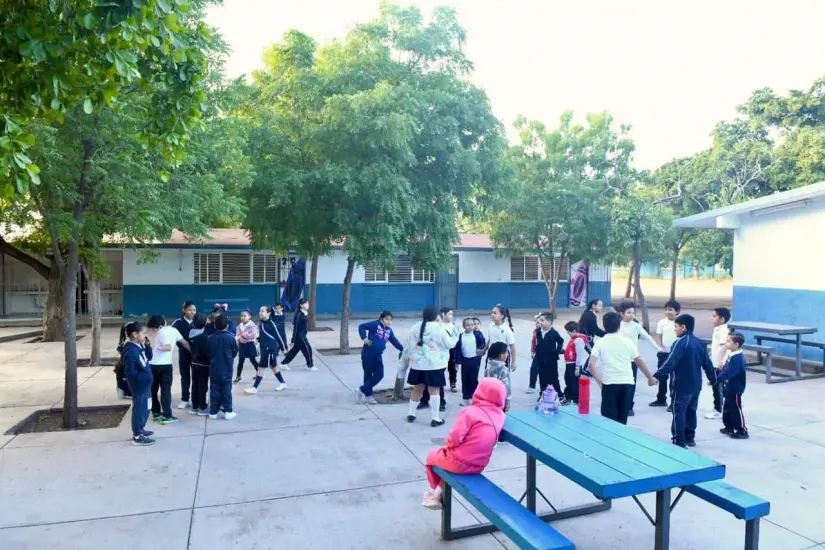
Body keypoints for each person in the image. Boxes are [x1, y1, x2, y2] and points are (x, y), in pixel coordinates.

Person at [421, 378, 507, 509]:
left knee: (431, 457)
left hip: (458, 462)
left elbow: (454, 438)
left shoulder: (469, 412)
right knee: (447, 466)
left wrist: (448, 446)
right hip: (479, 464)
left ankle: (432, 492)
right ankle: (438, 493)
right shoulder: (500, 415)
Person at [654, 314, 717, 448]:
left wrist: (656, 376)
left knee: (679, 411)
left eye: (675, 327)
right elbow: (707, 363)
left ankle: (679, 440)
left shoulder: (680, 343)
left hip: (681, 385)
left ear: (683, 327)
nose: (674, 329)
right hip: (696, 385)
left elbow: (670, 362)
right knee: (691, 410)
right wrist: (713, 379)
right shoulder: (700, 343)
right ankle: (690, 437)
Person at [588, 312, 656, 425]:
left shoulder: (600, 342)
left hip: (609, 383)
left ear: (604, 326)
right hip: (627, 383)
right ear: (619, 326)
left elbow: (591, 365)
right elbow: (639, 361)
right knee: (622, 418)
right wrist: (650, 378)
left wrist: (600, 383)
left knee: (608, 419)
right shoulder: (627, 342)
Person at [402, 305, 458, 427]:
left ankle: (411, 414)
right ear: (437, 316)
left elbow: (407, 345)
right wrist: (455, 333)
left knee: (417, 388)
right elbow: (449, 344)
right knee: (434, 390)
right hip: (434, 365)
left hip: (417, 364)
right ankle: (435, 418)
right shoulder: (438, 328)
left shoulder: (415, 327)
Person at [617, 301, 663, 416]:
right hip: (619, 359)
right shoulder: (617, 325)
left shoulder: (636, 326)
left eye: (633, 313)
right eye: (628, 313)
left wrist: (658, 349)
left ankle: (629, 406)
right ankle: (620, 404)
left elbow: (648, 338)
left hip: (632, 359)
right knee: (619, 383)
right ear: (622, 314)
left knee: (631, 384)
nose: (631, 315)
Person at [147, 315, 190, 424]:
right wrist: (192, 353)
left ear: (160, 326)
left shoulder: (161, 332)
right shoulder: (174, 330)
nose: (154, 330)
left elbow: (168, 347)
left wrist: (157, 347)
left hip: (154, 365)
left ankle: (156, 412)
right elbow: (184, 342)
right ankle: (166, 414)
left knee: (153, 390)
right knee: (165, 391)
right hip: (165, 366)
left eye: (154, 328)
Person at [356, 311, 403, 405]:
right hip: (368, 353)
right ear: (381, 319)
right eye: (386, 319)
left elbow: (394, 340)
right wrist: (364, 338)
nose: (389, 321)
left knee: (380, 375)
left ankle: (361, 390)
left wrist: (403, 349)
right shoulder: (375, 324)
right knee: (368, 374)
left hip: (378, 355)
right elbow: (361, 326)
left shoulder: (389, 330)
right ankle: (369, 396)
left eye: (390, 320)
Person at [121, 321, 155, 446]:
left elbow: (148, 358)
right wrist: (144, 377)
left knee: (147, 406)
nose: (145, 335)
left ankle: (141, 428)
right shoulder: (130, 350)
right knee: (140, 408)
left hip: (146, 383)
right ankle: (137, 435)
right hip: (140, 384)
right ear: (135, 334)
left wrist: (147, 346)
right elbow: (130, 372)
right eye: (143, 333)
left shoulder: (138, 346)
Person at [420, 308, 458, 411]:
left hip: (438, 359)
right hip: (427, 358)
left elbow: (449, 344)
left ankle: (441, 403)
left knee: (437, 383)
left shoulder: (444, 327)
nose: (451, 316)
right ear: (440, 315)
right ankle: (424, 400)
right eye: (449, 314)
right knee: (426, 380)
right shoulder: (428, 327)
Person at [713, 332, 749, 440]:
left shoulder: (738, 358)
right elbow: (728, 369)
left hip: (736, 388)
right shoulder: (732, 355)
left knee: (736, 408)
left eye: (729, 341)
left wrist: (716, 379)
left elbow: (730, 373)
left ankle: (742, 430)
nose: (727, 343)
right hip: (729, 387)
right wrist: (722, 368)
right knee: (728, 407)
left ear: (736, 344)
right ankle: (729, 426)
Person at [245, 306, 287, 394]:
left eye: (263, 311)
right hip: (265, 348)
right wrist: (258, 339)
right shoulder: (262, 323)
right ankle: (282, 383)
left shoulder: (271, 324)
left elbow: (278, 336)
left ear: (268, 313)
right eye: (260, 311)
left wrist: (283, 348)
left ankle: (254, 388)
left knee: (261, 368)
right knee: (273, 367)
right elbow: (265, 335)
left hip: (269, 349)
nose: (260, 312)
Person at [650, 300, 681, 410]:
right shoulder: (661, 322)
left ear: (677, 312)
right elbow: (659, 337)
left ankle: (673, 402)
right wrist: (660, 348)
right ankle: (661, 399)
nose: (668, 312)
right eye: (666, 309)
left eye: (670, 310)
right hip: (663, 354)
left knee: (674, 379)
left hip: (676, 355)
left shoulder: (680, 323)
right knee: (662, 377)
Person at [209, 314, 238, 419]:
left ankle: (213, 412)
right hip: (226, 368)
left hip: (214, 368)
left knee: (214, 389)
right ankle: (228, 411)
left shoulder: (211, 338)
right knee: (226, 390)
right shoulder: (231, 338)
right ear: (227, 326)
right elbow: (235, 351)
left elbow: (208, 352)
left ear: (215, 326)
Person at [533, 312, 566, 402]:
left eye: (542, 320)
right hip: (540, 358)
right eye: (539, 320)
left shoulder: (553, 333)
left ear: (549, 322)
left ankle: (558, 393)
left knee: (553, 377)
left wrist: (557, 351)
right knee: (542, 377)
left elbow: (560, 341)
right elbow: (536, 341)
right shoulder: (539, 331)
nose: (540, 322)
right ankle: (543, 393)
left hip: (551, 359)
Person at [706, 307, 731, 420]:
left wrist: (722, 361)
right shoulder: (718, 329)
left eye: (714, 316)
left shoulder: (723, 330)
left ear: (722, 319)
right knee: (722, 387)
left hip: (719, 364)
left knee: (717, 388)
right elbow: (717, 346)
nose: (712, 318)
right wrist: (712, 352)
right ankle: (732, 403)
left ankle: (718, 410)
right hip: (715, 362)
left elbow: (724, 347)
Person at [171, 301, 196, 410]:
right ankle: (185, 399)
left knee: (197, 377)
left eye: (194, 310)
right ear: (184, 310)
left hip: (197, 355)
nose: (192, 312)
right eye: (190, 309)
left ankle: (196, 399)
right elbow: (172, 337)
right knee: (185, 377)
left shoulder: (198, 321)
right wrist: (183, 346)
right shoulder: (178, 323)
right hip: (184, 354)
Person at [455, 317, 485, 406]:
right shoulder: (461, 336)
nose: (470, 327)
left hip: (474, 360)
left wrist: (480, 351)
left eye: (472, 325)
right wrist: (457, 361)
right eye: (467, 325)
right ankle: (465, 397)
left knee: (473, 379)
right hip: (465, 360)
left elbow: (482, 344)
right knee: (465, 379)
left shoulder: (477, 335)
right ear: (464, 326)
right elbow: (458, 349)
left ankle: (474, 396)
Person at [282, 298, 317, 371]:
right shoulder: (299, 315)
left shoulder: (305, 313)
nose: (308, 305)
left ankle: (284, 363)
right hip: (300, 337)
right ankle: (310, 365)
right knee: (308, 349)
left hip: (302, 335)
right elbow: (295, 329)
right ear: (301, 305)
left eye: (307, 303)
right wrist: (292, 340)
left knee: (294, 351)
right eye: (306, 303)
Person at [187, 314, 211, 415]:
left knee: (195, 385)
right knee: (202, 386)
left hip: (194, 363)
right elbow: (207, 351)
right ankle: (202, 407)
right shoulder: (204, 337)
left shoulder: (191, 334)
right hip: (203, 365)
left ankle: (194, 406)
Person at [563, 321, 589, 403]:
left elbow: (579, 354)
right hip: (569, 364)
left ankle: (575, 399)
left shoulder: (578, 340)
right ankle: (568, 397)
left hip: (573, 365)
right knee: (568, 380)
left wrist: (577, 368)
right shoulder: (574, 339)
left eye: (568, 332)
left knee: (574, 383)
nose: (568, 334)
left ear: (574, 331)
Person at [486, 304, 516, 372]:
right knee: (490, 373)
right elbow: (489, 339)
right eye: (492, 312)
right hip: (491, 353)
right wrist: (484, 349)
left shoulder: (507, 329)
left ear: (502, 316)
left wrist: (513, 362)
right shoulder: (490, 326)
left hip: (502, 354)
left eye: (495, 313)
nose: (492, 314)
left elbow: (512, 346)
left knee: (501, 374)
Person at [484, 342, 512, 411]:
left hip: (489, 399)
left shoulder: (488, 368)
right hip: (500, 400)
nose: (507, 355)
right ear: (502, 355)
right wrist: (507, 401)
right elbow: (507, 387)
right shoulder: (504, 370)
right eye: (506, 353)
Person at [234, 309, 259, 384]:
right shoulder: (240, 325)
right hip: (242, 345)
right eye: (241, 316)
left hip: (250, 344)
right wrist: (237, 339)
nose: (242, 317)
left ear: (249, 316)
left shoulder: (252, 325)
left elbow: (253, 336)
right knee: (241, 361)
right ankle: (238, 376)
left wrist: (243, 334)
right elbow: (237, 334)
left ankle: (259, 373)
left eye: (244, 316)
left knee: (252, 360)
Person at [526, 314, 541, 394]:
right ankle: (532, 386)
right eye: (537, 323)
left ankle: (546, 386)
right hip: (537, 354)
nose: (538, 324)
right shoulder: (536, 331)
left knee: (545, 371)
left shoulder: (546, 332)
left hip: (545, 354)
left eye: (540, 322)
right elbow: (533, 342)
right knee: (533, 369)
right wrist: (532, 351)